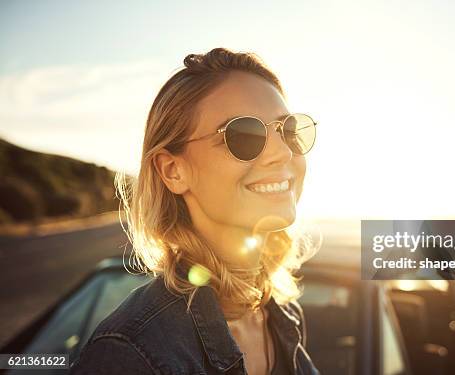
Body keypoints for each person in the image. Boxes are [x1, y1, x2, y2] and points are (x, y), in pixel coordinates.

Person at [69, 47, 320, 375]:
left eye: (288, 130)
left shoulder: (281, 314)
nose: (283, 153)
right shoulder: (129, 354)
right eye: (244, 135)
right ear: (173, 170)